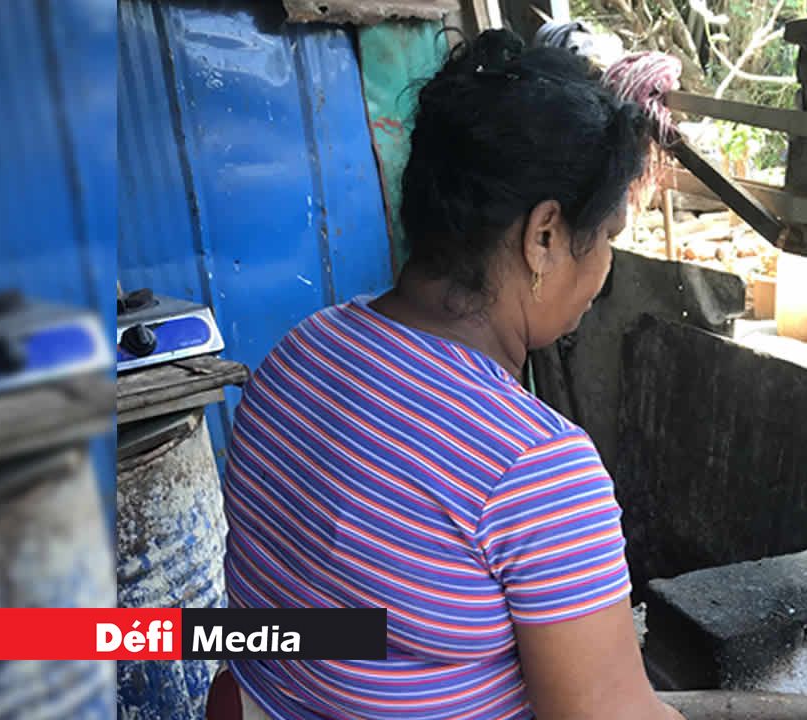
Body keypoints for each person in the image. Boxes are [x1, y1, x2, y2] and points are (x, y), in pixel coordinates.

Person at [210, 29, 685, 720]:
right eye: (608, 235)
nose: (605, 269)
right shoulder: (535, 468)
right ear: (545, 235)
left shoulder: (300, 351)